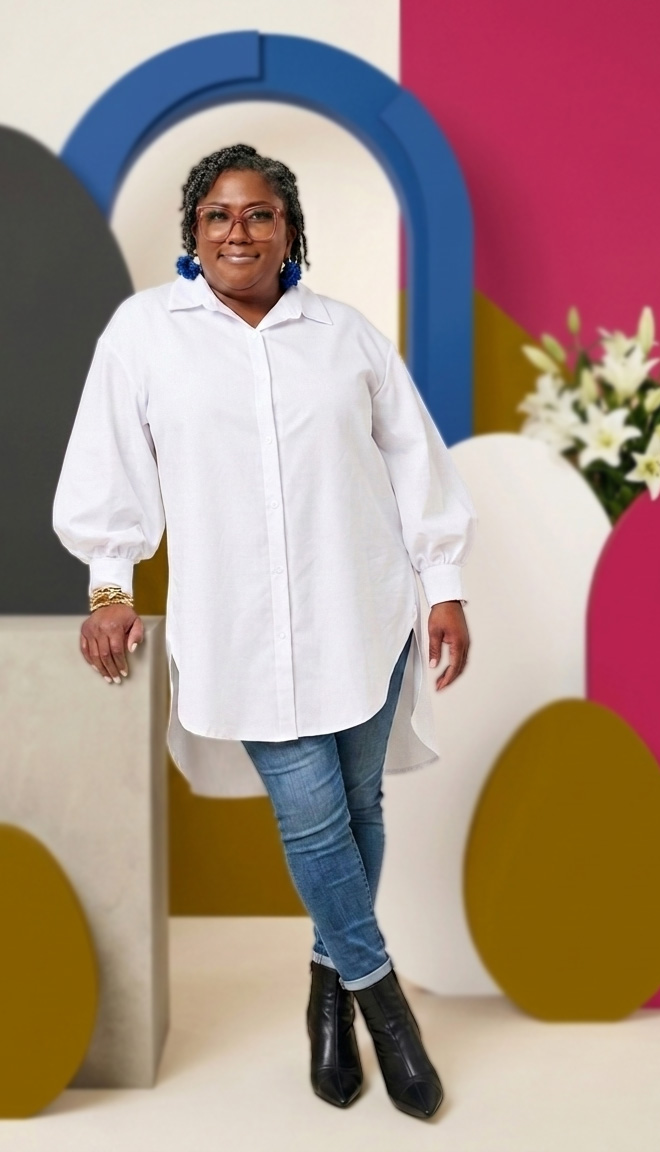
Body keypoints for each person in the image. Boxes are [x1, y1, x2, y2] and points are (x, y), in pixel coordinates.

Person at [53, 143, 477, 1121]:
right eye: (217, 215)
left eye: (258, 214)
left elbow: (415, 461)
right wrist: (109, 585)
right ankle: (387, 1014)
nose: (237, 231)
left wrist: (443, 585)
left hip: (363, 611)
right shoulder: (144, 335)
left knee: (360, 806)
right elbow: (107, 466)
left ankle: (327, 995)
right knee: (313, 819)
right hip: (236, 629)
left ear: (290, 231)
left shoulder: (345, 336)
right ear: (192, 231)